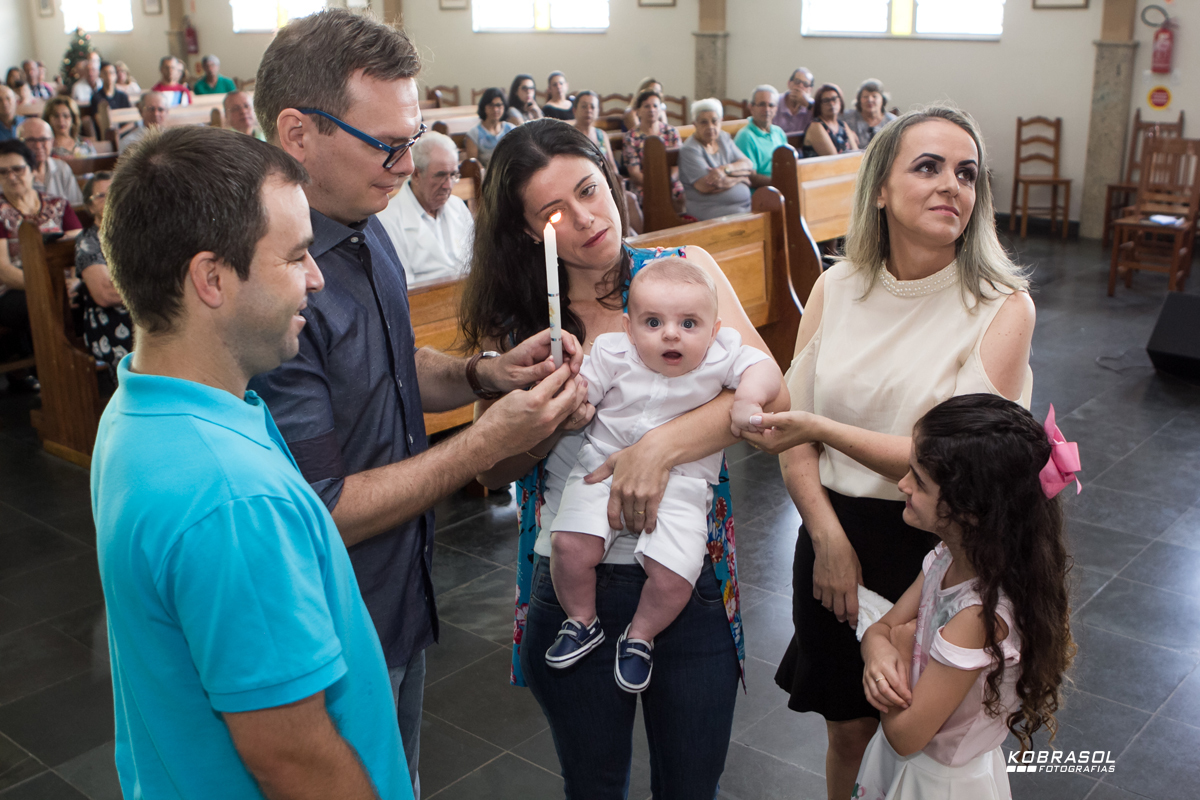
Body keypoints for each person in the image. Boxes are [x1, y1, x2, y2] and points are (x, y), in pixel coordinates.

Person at [250, 12, 590, 798]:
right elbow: (322, 508)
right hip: (332, 612)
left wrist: (483, 377)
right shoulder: (272, 281)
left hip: (399, 583)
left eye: (415, 139)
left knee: (397, 773)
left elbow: (393, 367)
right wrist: (481, 446)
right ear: (297, 132)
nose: (406, 166)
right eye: (387, 144)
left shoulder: (365, 228)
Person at [459, 119, 789, 798]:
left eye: (589, 189)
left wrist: (658, 449)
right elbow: (491, 472)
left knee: (691, 780)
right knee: (594, 783)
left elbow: (772, 399)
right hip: (573, 575)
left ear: (610, 178)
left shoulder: (684, 274)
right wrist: (551, 422)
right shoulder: (523, 324)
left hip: (687, 574)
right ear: (530, 231)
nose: (585, 219)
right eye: (556, 211)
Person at [93, 124, 414, 799]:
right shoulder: (231, 498)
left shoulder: (143, 405)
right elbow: (293, 759)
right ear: (212, 278)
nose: (318, 277)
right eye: (297, 256)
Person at [741, 106, 1036, 800]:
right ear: (879, 189)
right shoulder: (837, 286)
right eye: (928, 167)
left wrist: (822, 426)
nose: (952, 186)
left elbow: (952, 465)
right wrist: (824, 537)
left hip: (938, 543)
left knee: (921, 734)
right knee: (847, 728)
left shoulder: (1001, 304)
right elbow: (791, 432)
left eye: (966, 174)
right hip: (835, 524)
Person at [546, 257, 782, 693]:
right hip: (599, 467)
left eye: (689, 324)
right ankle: (581, 619)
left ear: (713, 331)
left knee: (676, 573)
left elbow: (765, 369)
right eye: (653, 322)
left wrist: (748, 398)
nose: (671, 334)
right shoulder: (613, 353)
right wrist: (572, 404)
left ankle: (640, 636)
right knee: (569, 543)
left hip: (684, 484)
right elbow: (582, 393)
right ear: (629, 327)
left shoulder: (722, 353)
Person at [855, 394, 1075, 799]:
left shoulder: (979, 617)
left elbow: (906, 736)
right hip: (907, 765)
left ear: (971, 510)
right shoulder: (945, 557)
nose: (902, 484)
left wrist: (897, 651)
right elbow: (882, 628)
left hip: (937, 782)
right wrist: (876, 648)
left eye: (918, 481)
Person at [0, 140, 82, 379]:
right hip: (13, 290)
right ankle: (55, 373)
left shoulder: (58, 204)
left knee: (92, 293)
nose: (11, 176)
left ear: (33, 169)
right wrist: (45, 286)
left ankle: (91, 362)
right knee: (41, 303)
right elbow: (3, 270)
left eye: (18, 169)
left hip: (65, 283)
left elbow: (80, 247)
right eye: (3, 172)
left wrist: (75, 281)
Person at [376, 130, 473, 285]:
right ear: (416, 174)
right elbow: (403, 288)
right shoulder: (388, 221)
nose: (448, 185)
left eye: (453, 175)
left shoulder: (457, 206)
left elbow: (477, 262)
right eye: (440, 175)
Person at [74, 171, 132, 374]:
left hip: (147, 311)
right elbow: (105, 294)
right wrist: (159, 291)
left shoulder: (139, 232)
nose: (110, 198)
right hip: (111, 320)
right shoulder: (88, 241)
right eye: (100, 195)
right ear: (89, 207)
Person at [678, 97, 753, 221]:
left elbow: (748, 165)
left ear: (721, 121)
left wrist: (726, 169)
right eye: (704, 122)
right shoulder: (690, 149)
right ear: (694, 124)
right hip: (710, 211)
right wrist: (741, 178)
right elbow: (707, 186)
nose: (710, 126)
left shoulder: (723, 138)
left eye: (714, 121)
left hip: (743, 209)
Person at [623, 89, 684, 212]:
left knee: (682, 193)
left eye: (655, 106)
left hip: (670, 182)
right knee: (643, 197)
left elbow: (679, 164)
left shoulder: (671, 132)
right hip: (644, 184)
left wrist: (666, 182)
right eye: (646, 106)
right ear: (638, 111)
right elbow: (634, 173)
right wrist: (655, 184)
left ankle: (682, 225)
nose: (651, 110)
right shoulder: (631, 137)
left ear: (661, 110)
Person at [19, 118, 84, 204]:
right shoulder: (12, 173)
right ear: (19, 143)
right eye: (31, 140)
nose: (38, 146)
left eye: (43, 139)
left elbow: (76, 204)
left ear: (52, 142)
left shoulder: (62, 169)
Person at [734, 85, 787, 186]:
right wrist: (780, 184)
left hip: (780, 187)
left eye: (771, 105)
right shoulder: (745, 136)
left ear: (776, 109)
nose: (767, 109)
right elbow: (750, 177)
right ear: (751, 107)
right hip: (761, 193)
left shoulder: (779, 132)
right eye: (762, 104)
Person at [803, 83, 859, 158]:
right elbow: (833, 160)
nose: (831, 103)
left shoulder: (843, 125)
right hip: (824, 168)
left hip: (846, 167)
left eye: (834, 99)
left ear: (840, 102)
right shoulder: (816, 126)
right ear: (819, 105)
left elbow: (856, 154)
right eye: (826, 101)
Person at [464, 87, 515, 168]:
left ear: (504, 107)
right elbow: (473, 166)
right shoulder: (474, 134)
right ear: (484, 107)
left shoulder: (511, 130)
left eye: (498, 105)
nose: (495, 109)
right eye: (491, 105)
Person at [842, 78, 897, 150]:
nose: (870, 100)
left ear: (882, 100)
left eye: (874, 96)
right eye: (865, 97)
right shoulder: (847, 117)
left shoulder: (893, 122)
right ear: (859, 100)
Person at [570, 90, 616, 173]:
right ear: (574, 110)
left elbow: (611, 165)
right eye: (584, 106)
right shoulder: (568, 134)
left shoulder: (602, 135)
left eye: (592, 107)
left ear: (598, 111)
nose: (588, 110)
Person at [774, 68, 815, 135]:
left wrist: (808, 105)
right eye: (797, 81)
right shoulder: (774, 102)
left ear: (810, 90)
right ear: (789, 83)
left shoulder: (813, 106)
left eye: (805, 84)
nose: (800, 86)